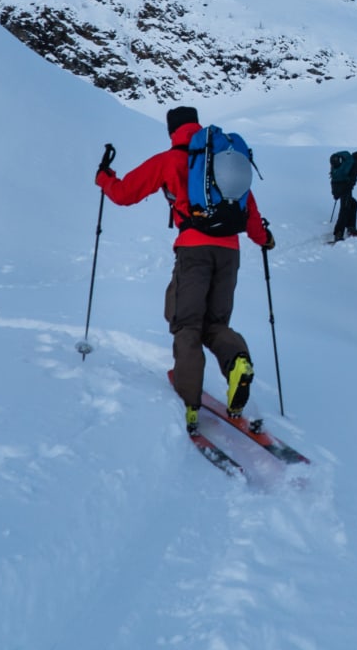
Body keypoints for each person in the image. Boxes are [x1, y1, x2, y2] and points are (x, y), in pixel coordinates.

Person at [95, 105, 274, 434]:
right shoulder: (221, 156)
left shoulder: (169, 160)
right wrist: (264, 239)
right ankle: (237, 362)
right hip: (229, 251)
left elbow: (123, 194)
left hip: (194, 249)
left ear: (172, 129)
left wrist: (104, 178)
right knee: (216, 323)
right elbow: (249, 210)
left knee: (187, 323)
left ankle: (190, 403)